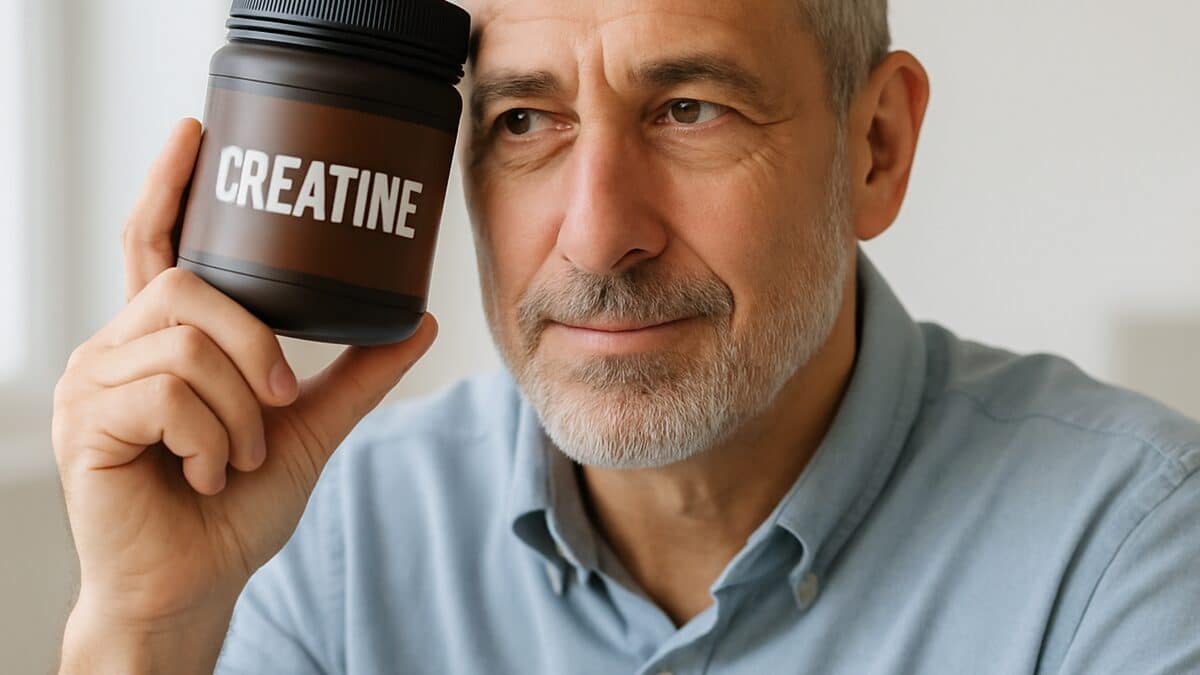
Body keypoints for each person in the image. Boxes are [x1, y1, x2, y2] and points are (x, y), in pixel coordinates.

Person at [52, 1, 1200, 674]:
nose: (599, 240)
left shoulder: (1127, 551)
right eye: (524, 122)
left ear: (877, 147)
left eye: (689, 109)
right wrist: (148, 630)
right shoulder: (327, 545)